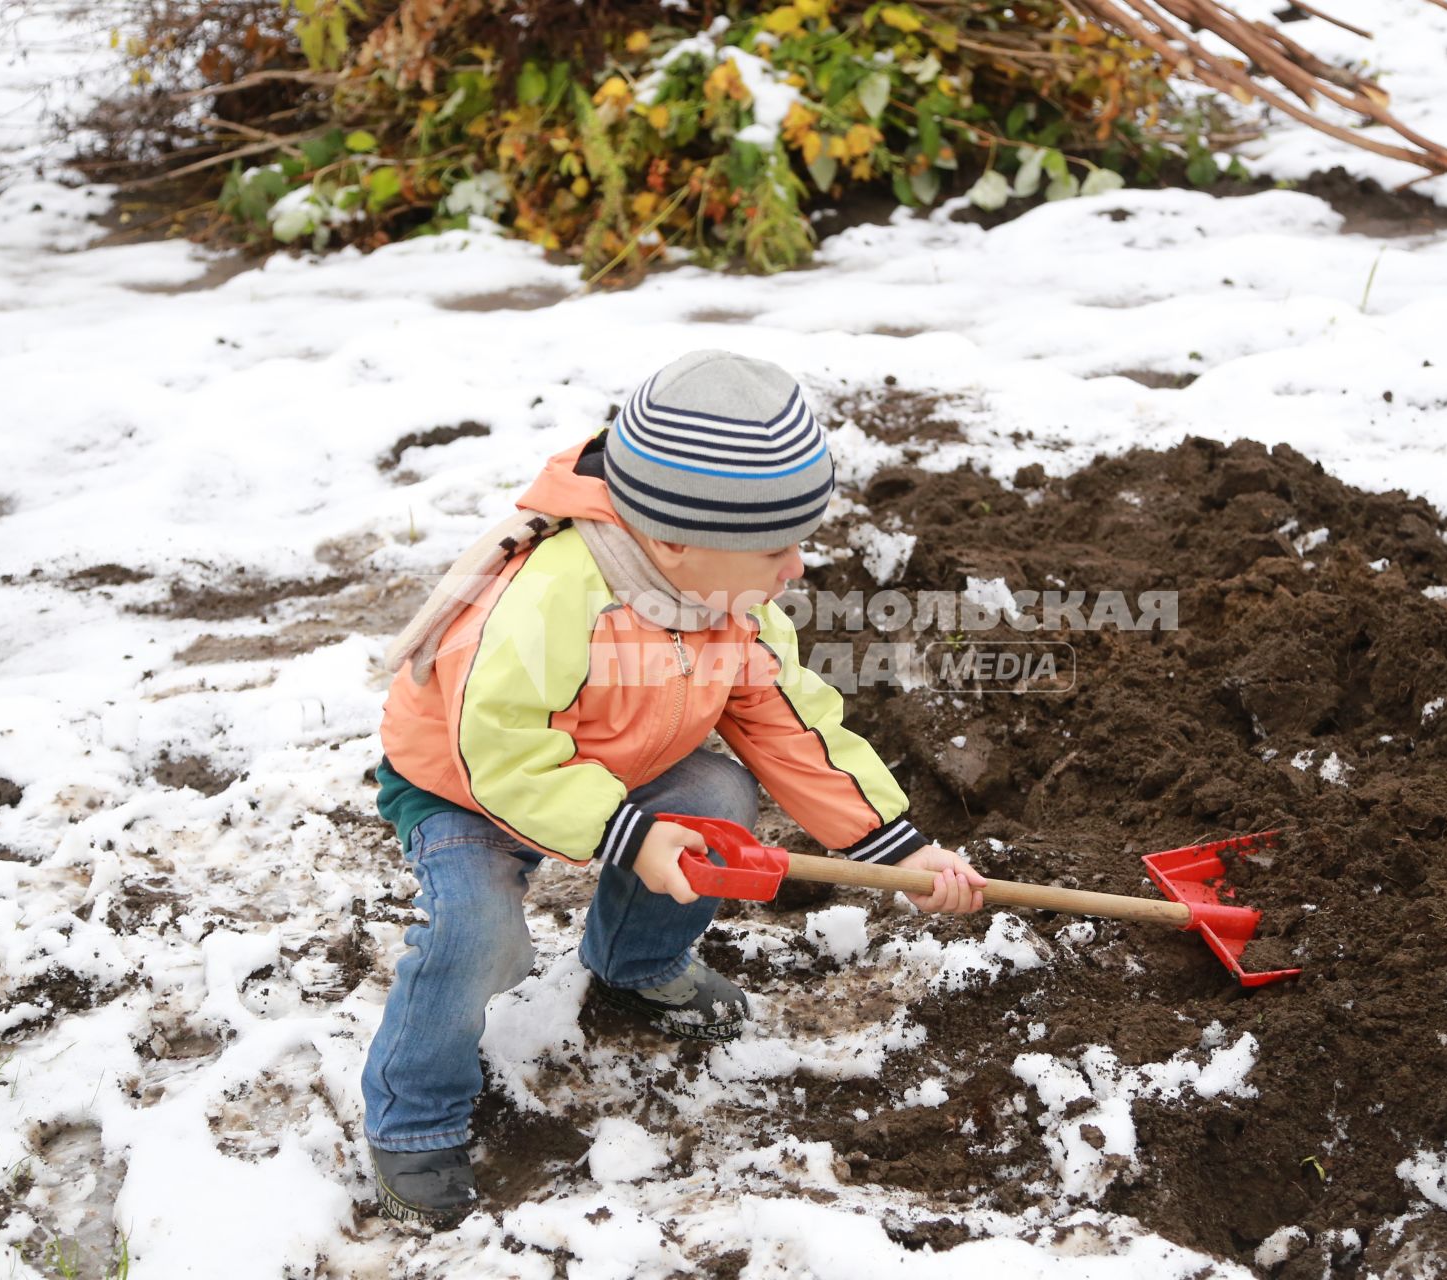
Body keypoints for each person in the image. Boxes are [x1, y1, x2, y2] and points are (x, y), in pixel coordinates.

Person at [362, 349, 984, 1225]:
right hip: (463, 785)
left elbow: (790, 723)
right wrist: (630, 835)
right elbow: (496, 750)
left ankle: (635, 966)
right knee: (477, 938)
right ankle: (412, 1118)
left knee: (721, 799)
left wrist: (899, 847)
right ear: (682, 539)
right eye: (776, 547)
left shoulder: (729, 600)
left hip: (617, 759)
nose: (796, 567)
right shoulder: (553, 599)